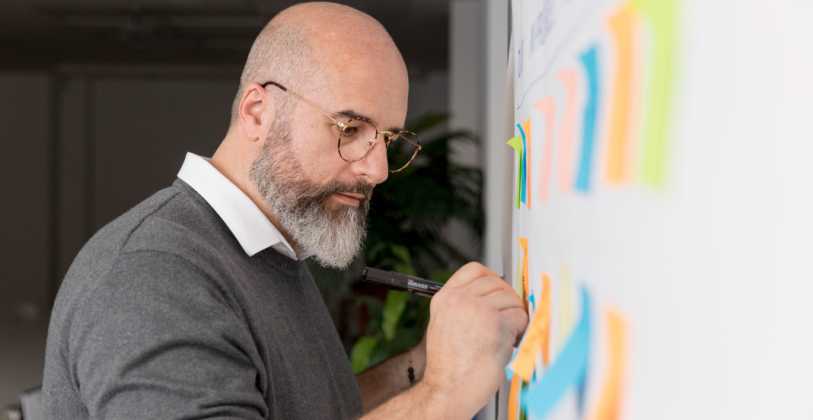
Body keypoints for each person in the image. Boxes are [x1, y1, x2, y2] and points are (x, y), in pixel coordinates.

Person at [42, 2, 528, 419]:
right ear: (258, 113)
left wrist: (420, 364)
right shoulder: (153, 275)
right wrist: (443, 393)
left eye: (387, 139)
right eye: (350, 129)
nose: (378, 169)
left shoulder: (266, 252)